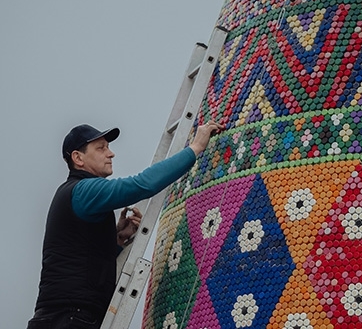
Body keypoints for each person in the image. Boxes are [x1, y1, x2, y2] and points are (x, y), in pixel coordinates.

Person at [27, 121, 223, 329]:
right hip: (70, 318)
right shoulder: (85, 191)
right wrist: (195, 148)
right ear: (78, 158)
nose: (110, 154)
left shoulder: (72, 193)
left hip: (61, 317)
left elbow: (79, 253)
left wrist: (116, 239)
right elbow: (142, 185)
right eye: (101, 148)